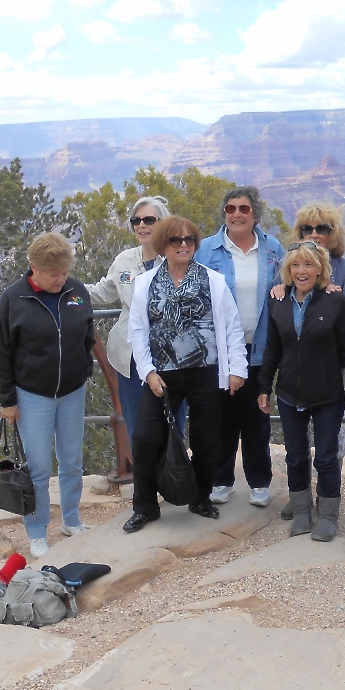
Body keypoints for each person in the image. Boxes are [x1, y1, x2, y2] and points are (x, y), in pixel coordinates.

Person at [124, 215, 247, 531]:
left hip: (206, 372)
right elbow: (137, 330)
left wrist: (237, 369)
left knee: (207, 439)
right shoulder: (146, 283)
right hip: (162, 376)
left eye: (189, 240)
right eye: (176, 240)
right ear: (164, 244)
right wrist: (148, 372)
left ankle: (201, 497)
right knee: (146, 438)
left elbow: (232, 327)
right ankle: (146, 507)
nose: (183, 245)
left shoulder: (212, 280)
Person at [0, 233, 95, 558]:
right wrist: (6, 399)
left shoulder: (76, 292)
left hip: (72, 391)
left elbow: (88, 334)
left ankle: (72, 520)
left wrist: (83, 369)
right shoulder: (13, 299)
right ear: (33, 267)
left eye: (64, 272)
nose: (60, 279)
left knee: (72, 460)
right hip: (31, 395)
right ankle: (37, 531)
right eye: (53, 274)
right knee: (37, 467)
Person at [257, 242, 345, 541]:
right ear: (288, 270)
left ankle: (328, 514)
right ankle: (302, 511)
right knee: (296, 455)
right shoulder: (278, 301)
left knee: (327, 456)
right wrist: (264, 385)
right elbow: (273, 347)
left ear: (320, 270)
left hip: (327, 393)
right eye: (295, 265)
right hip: (290, 393)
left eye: (308, 265)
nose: (301, 271)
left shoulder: (334, 302)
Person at [196, 186, 284, 508]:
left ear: (255, 214)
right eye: (230, 208)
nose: (236, 214)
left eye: (243, 209)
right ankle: (221, 479)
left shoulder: (272, 249)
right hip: (220, 350)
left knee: (256, 416)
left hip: (259, 347)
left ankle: (259, 481)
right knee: (221, 416)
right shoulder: (206, 250)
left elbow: (289, 284)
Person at [271, 200, 345, 521]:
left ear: (334, 234)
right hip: (296, 371)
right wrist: (284, 286)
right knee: (296, 449)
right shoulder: (294, 270)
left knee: (330, 440)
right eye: (307, 229)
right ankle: (301, 497)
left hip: (331, 362)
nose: (315, 234)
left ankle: (326, 497)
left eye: (322, 229)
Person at [85, 195, 166, 441]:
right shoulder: (124, 260)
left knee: (169, 423)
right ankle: (144, 478)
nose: (142, 225)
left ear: (163, 222)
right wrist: (64, 287)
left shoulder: (177, 258)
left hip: (168, 356)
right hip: (130, 358)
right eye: (136, 221)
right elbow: (103, 292)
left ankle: (170, 477)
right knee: (137, 425)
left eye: (149, 219)